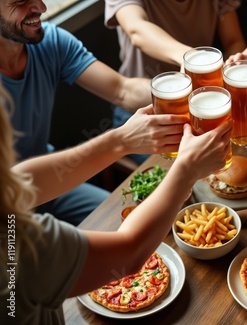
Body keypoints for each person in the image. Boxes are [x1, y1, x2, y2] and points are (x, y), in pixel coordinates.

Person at [0, 80, 232, 324]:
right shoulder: (16, 244)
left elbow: (22, 181)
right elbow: (129, 252)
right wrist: (186, 170)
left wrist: (121, 140)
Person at [0, 0, 163, 225]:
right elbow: (11, 188)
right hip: (7, 206)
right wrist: (121, 140)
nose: (41, 7)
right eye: (21, 1)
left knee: (130, 221)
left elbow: (122, 90)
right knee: (22, 259)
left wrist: (189, 86)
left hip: (50, 182)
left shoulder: (50, 41)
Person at [104, 0, 247, 164]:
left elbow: (234, 41)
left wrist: (232, 69)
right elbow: (137, 30)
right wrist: (189, 57)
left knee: (229, 161)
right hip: (142, 113)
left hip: (202, 108)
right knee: (189, 176)